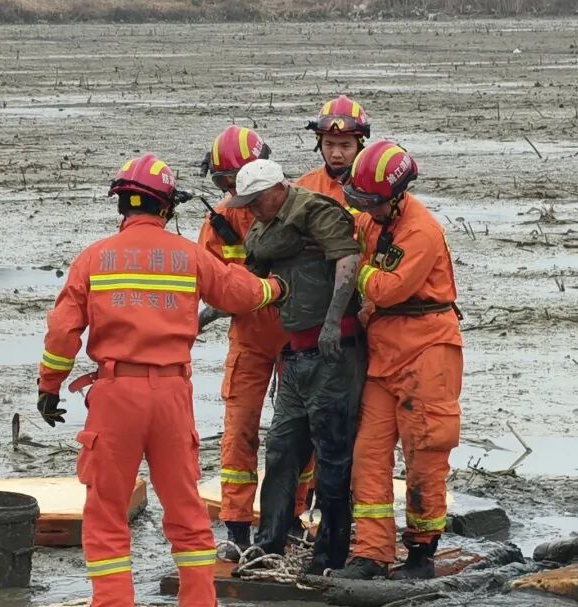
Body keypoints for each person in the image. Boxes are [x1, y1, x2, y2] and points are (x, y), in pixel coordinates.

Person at [36, 153, 287, 607]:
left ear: (122, 205)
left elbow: (61, 333)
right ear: (167, 207)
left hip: (115, 396)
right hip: (172, 395)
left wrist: (49, 386)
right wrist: (278, 287)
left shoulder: (93, 259)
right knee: (186, 511)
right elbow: (238, 292)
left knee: (107, 513)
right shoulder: (188, 255)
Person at [228, 158, 366, 574]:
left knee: (332, 455)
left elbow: (348, 259)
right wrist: (206, 311)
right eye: (247, 204)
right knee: (282, 448)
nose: (252, 210)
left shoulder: (316, 210)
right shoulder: (263, 229)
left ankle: (329, 556)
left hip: (334, 354)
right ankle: (268, 544)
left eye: (257, 201)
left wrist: (332, 323)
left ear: (277, 190)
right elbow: (250, 281)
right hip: (296, 354)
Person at [334, 141, 464, 581]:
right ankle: (371, 552)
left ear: (395, 195)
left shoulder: (421, 231)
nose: (365, 210)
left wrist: (353, 266)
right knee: (368, 455)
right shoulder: (371, 219)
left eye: (370, 202)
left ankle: (422, 552)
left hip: (427, 351)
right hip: (384, 353)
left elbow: (388, 289)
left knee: (424, 453)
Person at [195, 126, 315, 562]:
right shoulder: (220, 223)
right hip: (250, 337)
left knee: (299, 432)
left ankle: (293, 518)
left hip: (298, 336)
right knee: (239, 431)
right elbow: (207, 282)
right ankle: (237, 527)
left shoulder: (299, 207)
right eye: (225, 183)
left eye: (238, 180)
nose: (234, 190)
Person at [296, 94, 371, 213]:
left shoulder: (374, 188)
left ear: (359, 146)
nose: (336, 154)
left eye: (345, 146)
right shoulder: (302, 188)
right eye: (329, 144)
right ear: (320, 143)